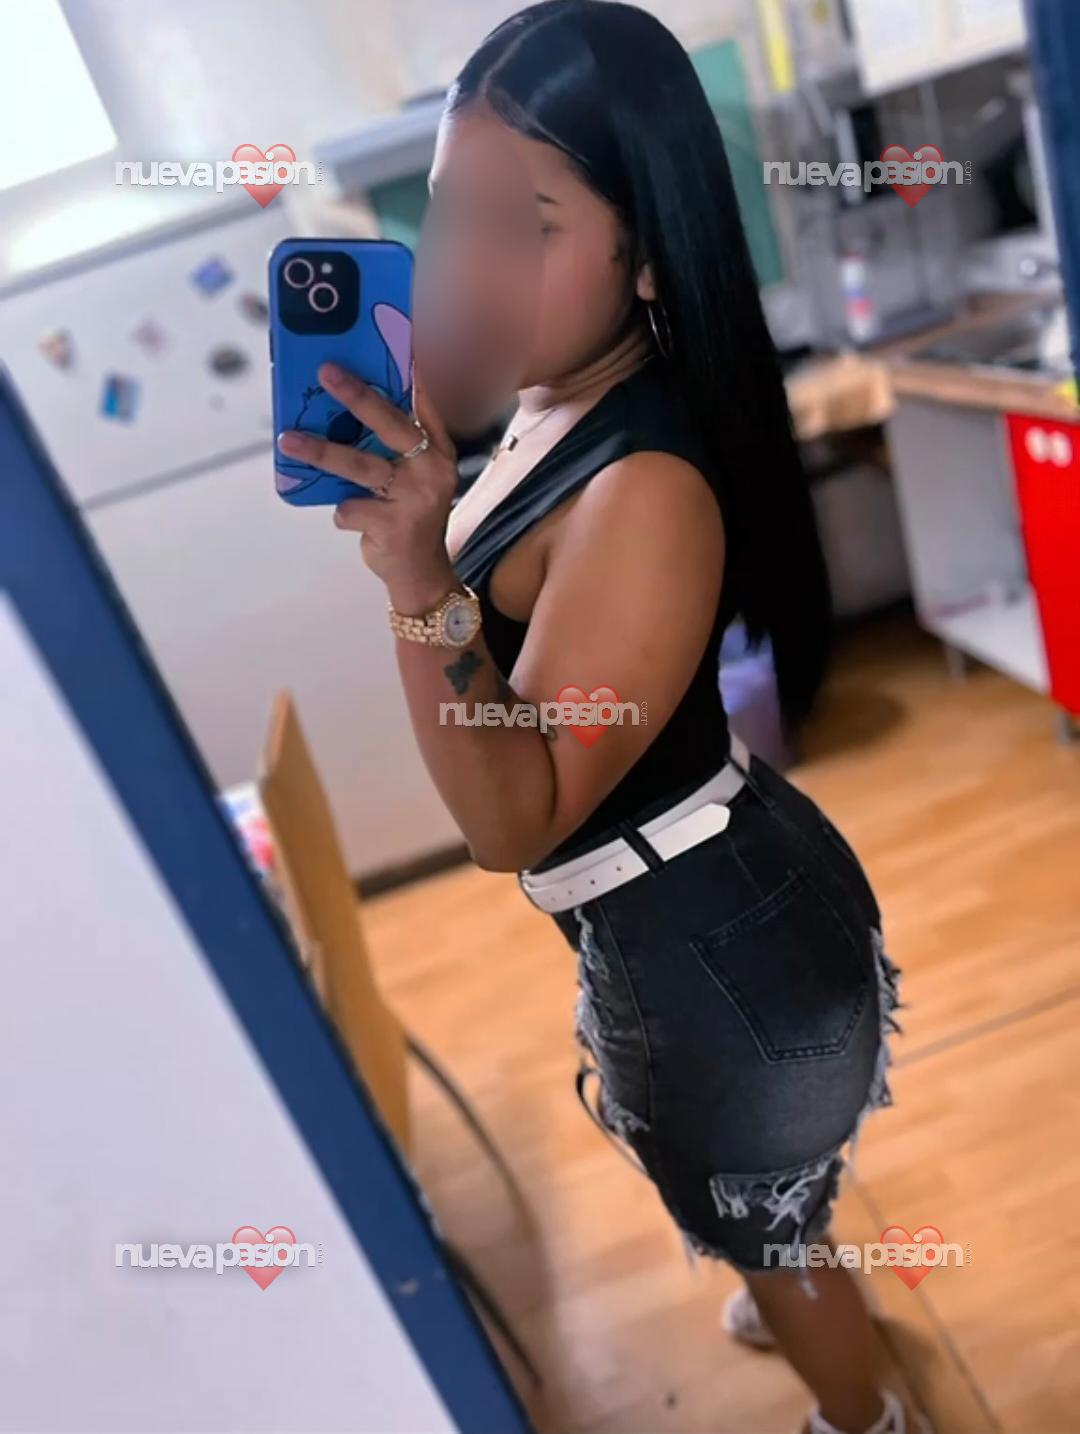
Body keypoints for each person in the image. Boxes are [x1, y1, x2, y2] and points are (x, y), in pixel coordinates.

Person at [275, 4, 925, 1431]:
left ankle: (861, 1405)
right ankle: (778, 1243)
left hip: (717, 954)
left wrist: (418, 577)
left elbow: (512, 816)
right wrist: (427, 475)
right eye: (451, 212)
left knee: (767, 1221)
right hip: (704, 909)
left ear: (643, 252)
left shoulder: (646, 491)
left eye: (527, 225)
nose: (467, 264)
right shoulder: (556, 396)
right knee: (766, 1198)